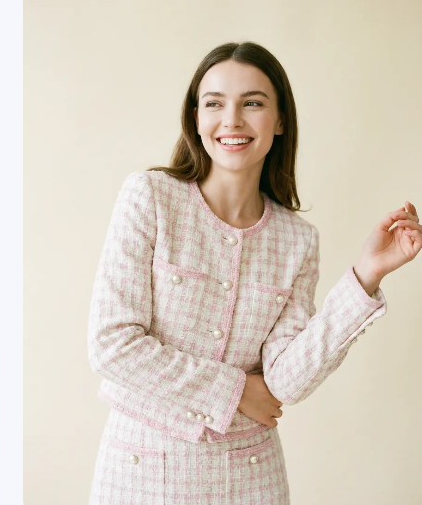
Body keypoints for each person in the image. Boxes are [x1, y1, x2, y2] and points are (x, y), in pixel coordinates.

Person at [86, 41, 420, 504]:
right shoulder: (150, 198)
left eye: (253, 103)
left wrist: (366, 274)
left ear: (280, 121)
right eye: (215, 103)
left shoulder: (298, 241)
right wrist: (237, 389)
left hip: (252, 480)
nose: (232, 120)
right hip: (142, 474)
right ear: (196, 118)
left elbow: (286, 380)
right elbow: (112, 345)